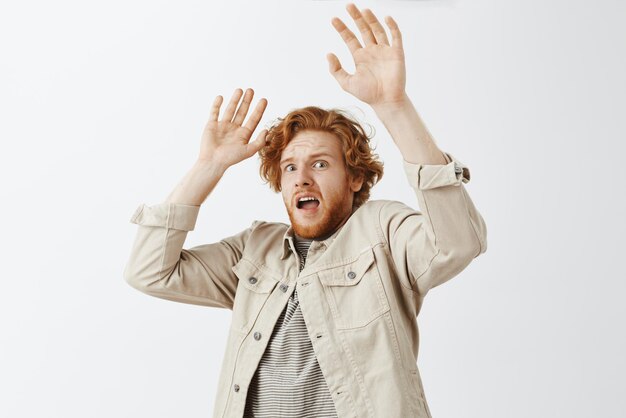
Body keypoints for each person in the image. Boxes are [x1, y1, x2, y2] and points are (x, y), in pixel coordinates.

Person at [123, 3, 487, 418]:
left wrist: (393, 106)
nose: (301, 179)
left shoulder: (383, 231)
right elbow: (149, 271)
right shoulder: (253, 251)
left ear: (354, 177)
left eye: (320, 163)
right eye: (291, 167)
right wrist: (208, 167)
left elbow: (459, 242)